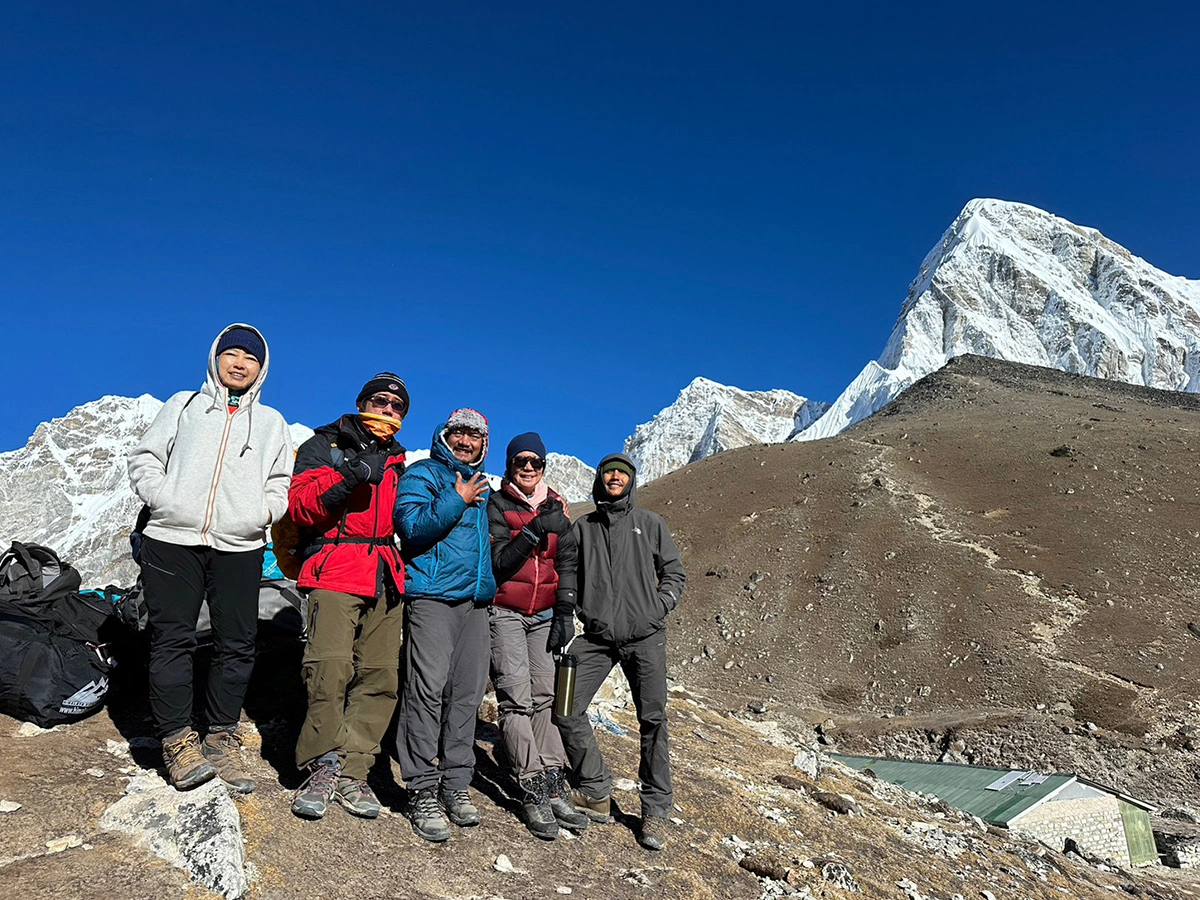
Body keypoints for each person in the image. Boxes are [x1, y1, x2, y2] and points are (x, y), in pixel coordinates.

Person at [127, 324, 293, 792]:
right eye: (232, 354)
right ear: (215, 357)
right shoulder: (183, 405)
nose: (240, 364)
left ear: (263, 369)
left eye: (251, 358)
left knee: (237, 641)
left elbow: (280, 481)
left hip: (239, 545)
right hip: (172, 538)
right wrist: (163, 498)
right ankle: (178, 742)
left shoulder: (272, 423)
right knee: (172, 639)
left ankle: (221, 736)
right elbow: (144, 457)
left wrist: (261, 513)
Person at [286, 373, 410, 820]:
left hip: (383, 575)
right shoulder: (326, 444)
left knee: (379, 677)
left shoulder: (399, 460)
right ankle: (323, 764)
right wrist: (350, 475)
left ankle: (354, 771)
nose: (388, 410)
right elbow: (299, 506)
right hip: (335, 567)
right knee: (328, 669)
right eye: (380, 401)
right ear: (362, 402)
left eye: (397, 407)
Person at [555, 453, 685, 850]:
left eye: (622, 473)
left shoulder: (651, 524)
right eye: (609, 472)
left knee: (653, 719)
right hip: (595, 637)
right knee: (563, 706)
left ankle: (655, 812)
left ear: (631, 481)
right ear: (600, 480)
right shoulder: (583, 528)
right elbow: (568, 572)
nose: (614, 477)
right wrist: (577, 607)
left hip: (645, 636)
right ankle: (595, 789)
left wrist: (658, 606)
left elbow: (675, 572)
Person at [393, 408, 496, 843]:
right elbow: (410, 527)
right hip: (433, 597)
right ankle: (420, 788)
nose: (466, 441)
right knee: (426, 690)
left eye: (475, 436)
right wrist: (457, 497)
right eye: (459, 433)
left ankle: (455, 784)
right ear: (444, 435)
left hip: (475, 604)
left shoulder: (486, 488)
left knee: (467, 695)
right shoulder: (425, 473)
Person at [487, 432, 588, 840]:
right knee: (515, 698)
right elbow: (498, 564)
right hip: (506, 611)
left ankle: (552, 779)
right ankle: (530, 785)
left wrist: (565, 612)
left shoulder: (558, 505)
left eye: (536, 462)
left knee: (546, 696)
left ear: (544, 466)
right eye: (520, 461)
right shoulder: (497, 504)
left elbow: (566, 562)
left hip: (544, 614)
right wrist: (532, 531)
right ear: (510, 465)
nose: (528, 468)